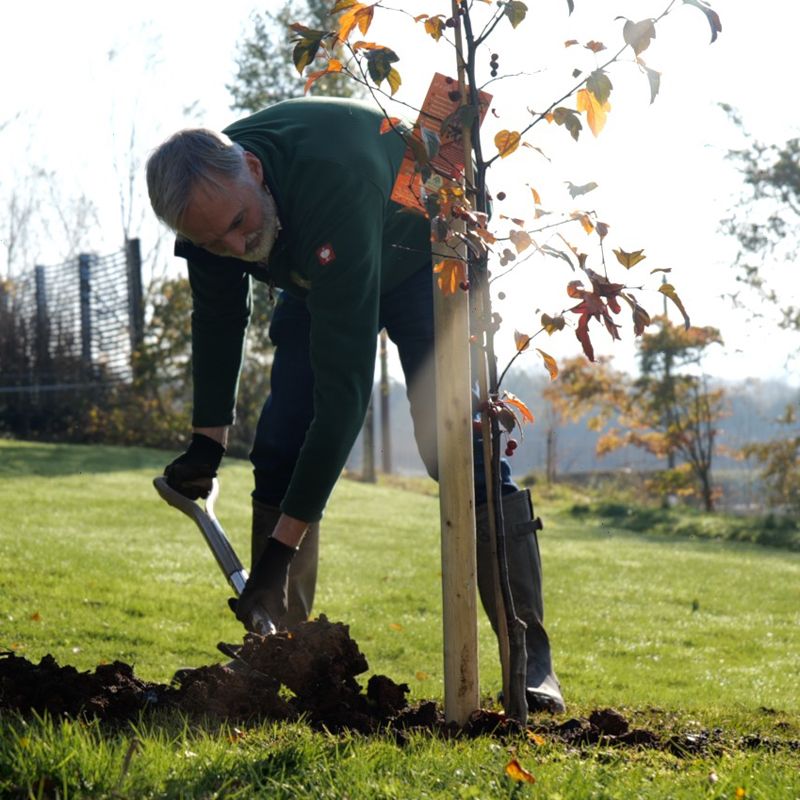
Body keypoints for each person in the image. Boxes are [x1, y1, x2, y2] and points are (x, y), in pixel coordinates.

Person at [146, 96, 565, 713]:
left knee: (456, 448)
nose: (236, 245)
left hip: (417, 253)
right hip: (317, 265)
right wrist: (207, 444)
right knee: (280, 446)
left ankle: (529, 663)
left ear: (255, 170)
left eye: (239, 224)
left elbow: (342, 404)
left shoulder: (329, 182)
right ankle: (277, 651)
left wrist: (275, 558)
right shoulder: (211, 211)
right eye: (216, 241)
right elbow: (217, 316)